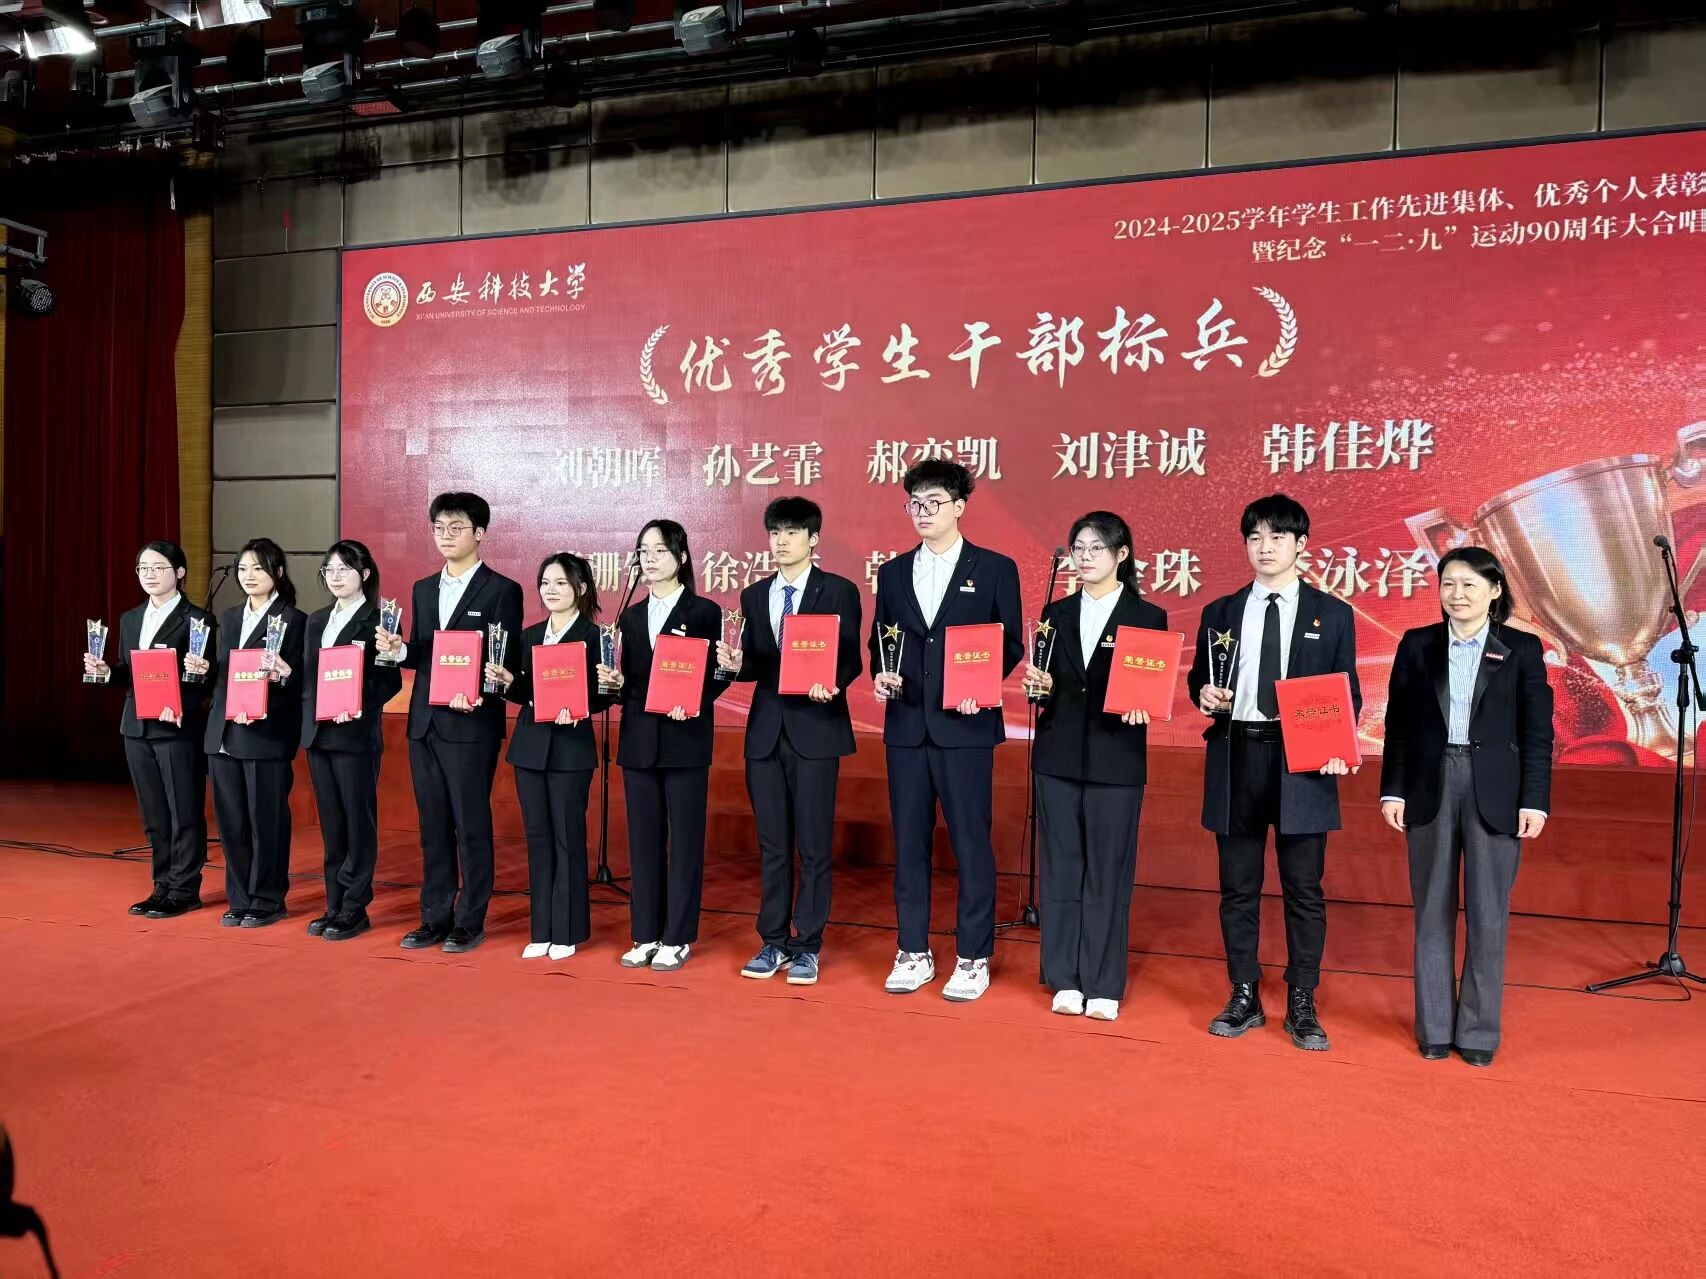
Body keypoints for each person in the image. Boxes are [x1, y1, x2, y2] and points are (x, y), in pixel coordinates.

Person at [1185, 494, 1360, 1051]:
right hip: (1237, 753)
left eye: (1277, 537)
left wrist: (1337, 743)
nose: (1265, 547)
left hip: (1302, 761)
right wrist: (1203, 695)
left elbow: (1347, 691)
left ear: (1300, 544)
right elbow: (1198, 679)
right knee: (1237, 885)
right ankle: (1244, 992)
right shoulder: (1221, 612)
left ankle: (1302, 998)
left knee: (1303, 887)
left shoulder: (1332, 614)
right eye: (1255, 537)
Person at [1380, 546, 1553, 1067]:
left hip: (1495, 789)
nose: (1457, 595)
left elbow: (1537, 733)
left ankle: (1478, 1031)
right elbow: (1399, 725)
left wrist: (1534, 801)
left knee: (1488, 914)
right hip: (1430, 782)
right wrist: (1393, 790)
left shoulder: (1522, 649)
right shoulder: (1417, 645)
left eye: (1469, 585)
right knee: (1431, 909)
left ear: (1495, 591)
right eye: (1448, 584)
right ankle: (1434, 1027)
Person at [868, 459, 1023, 1002]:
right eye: (915, 503)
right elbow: (880, 641)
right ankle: (913, 949)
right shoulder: (892, 573)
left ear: (960, 506)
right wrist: (881, 673)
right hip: (907, 726)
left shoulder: (995, 568)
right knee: (909, 842)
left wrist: (979, 682)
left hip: (966, 726)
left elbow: (1010, 642)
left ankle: (973, 955)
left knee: (971, 844)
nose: (923, 512)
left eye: (934, 502)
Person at [1024, 512, 1167, 1022]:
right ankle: (1064, 977)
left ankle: (1103, 982)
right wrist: (1038, 688)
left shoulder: (1147, 617)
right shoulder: (1055, 613)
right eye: (1078, 548)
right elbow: (1044, 685)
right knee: (1061, 868)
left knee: (1108, 872)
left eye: (1096, 548)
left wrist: (1144, 705)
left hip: (1116, 760)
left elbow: (1151, 688)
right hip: (1057, 757)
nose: (1084, 557)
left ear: (1121, 555)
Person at [718, 496, 864, 986]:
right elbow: (759, 663)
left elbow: (850, 657)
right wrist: (736, 664)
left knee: (815, 845)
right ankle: (774, 940)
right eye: (775, 533)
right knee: (773, 844)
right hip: (766, 732)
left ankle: (808, 945)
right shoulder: (754, 595)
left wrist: (833, 683)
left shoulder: (838, 591)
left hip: (816, 729)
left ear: (813, 539)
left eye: (792, 532)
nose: (781, 542)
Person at [373, 491, 525, 955]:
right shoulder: (424, 588)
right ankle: (434, 917)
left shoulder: (502, 590)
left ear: (480, 533)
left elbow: (504, 659)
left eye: (456, 527)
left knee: (470, 824)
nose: (445, 535)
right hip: (425, 724)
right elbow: (424, 651)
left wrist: (479, 689)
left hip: (471, 724)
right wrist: (400, 650)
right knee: (433, 826)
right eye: (439, 527)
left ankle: (469, 920)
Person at [600, 519, 728, 972]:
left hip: (685, 738)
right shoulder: (630, 616)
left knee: (686, 841)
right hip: (639, 740)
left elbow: (717, 674)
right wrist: (614, 684)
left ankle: (677, 936)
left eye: (659, 551)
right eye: (643, 552)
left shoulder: (705, 612)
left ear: (682, 557)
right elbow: (630, 683)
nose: (650, 559)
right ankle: (645, 933)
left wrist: (692, 700)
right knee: (643, 841)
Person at [487, 553, 611, 961]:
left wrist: (580, 705)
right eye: (545, 583)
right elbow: (525, 691)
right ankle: (541, 928)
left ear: (581, 588)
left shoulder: (595, 637)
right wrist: (508, 682)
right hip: (530, 748)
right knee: (538, 838)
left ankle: (567, 930)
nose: (551, 590)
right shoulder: (529, 635)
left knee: (567, 838)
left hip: (571, 749)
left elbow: (606, 693)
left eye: (560, 583)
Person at [86, 540, 218, 918]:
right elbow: (129, 672)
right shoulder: (131, 619)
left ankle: (185, 889)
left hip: (176, 726)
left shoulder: (198, 620)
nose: (149, 575)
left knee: (183, 810)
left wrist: (185, 700)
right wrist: (107, 672)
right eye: (143, 568)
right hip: (136, 727)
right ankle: (161, 885)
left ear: (179, 572)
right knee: (155, 814)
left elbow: (205, 679)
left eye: (158, 567)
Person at [193, 537, 307, 929]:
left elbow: (301, 681)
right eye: (243, 569)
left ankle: (268, 898)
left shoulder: (295, 621)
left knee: (266, 821)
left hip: (265, 734)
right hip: (224, 733)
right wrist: (205, 671)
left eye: (258, 568)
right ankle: (240, 897)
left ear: (278, 572)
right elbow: (225, 675)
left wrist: (283, 676)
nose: (249, 576)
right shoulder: (229, 618)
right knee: (232, 823)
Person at [300, 539, 403, 942]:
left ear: (364, 574)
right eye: (330, 570)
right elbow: (310, 679)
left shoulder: (379, 621)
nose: (336, 577)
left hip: (355, 734)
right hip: (319, 734)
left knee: (358, 821)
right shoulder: (316, 621)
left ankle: (355, 907)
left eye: (345, 569)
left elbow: (389, 681)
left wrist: (357, 705)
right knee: (332, 824)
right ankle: (334, 903)